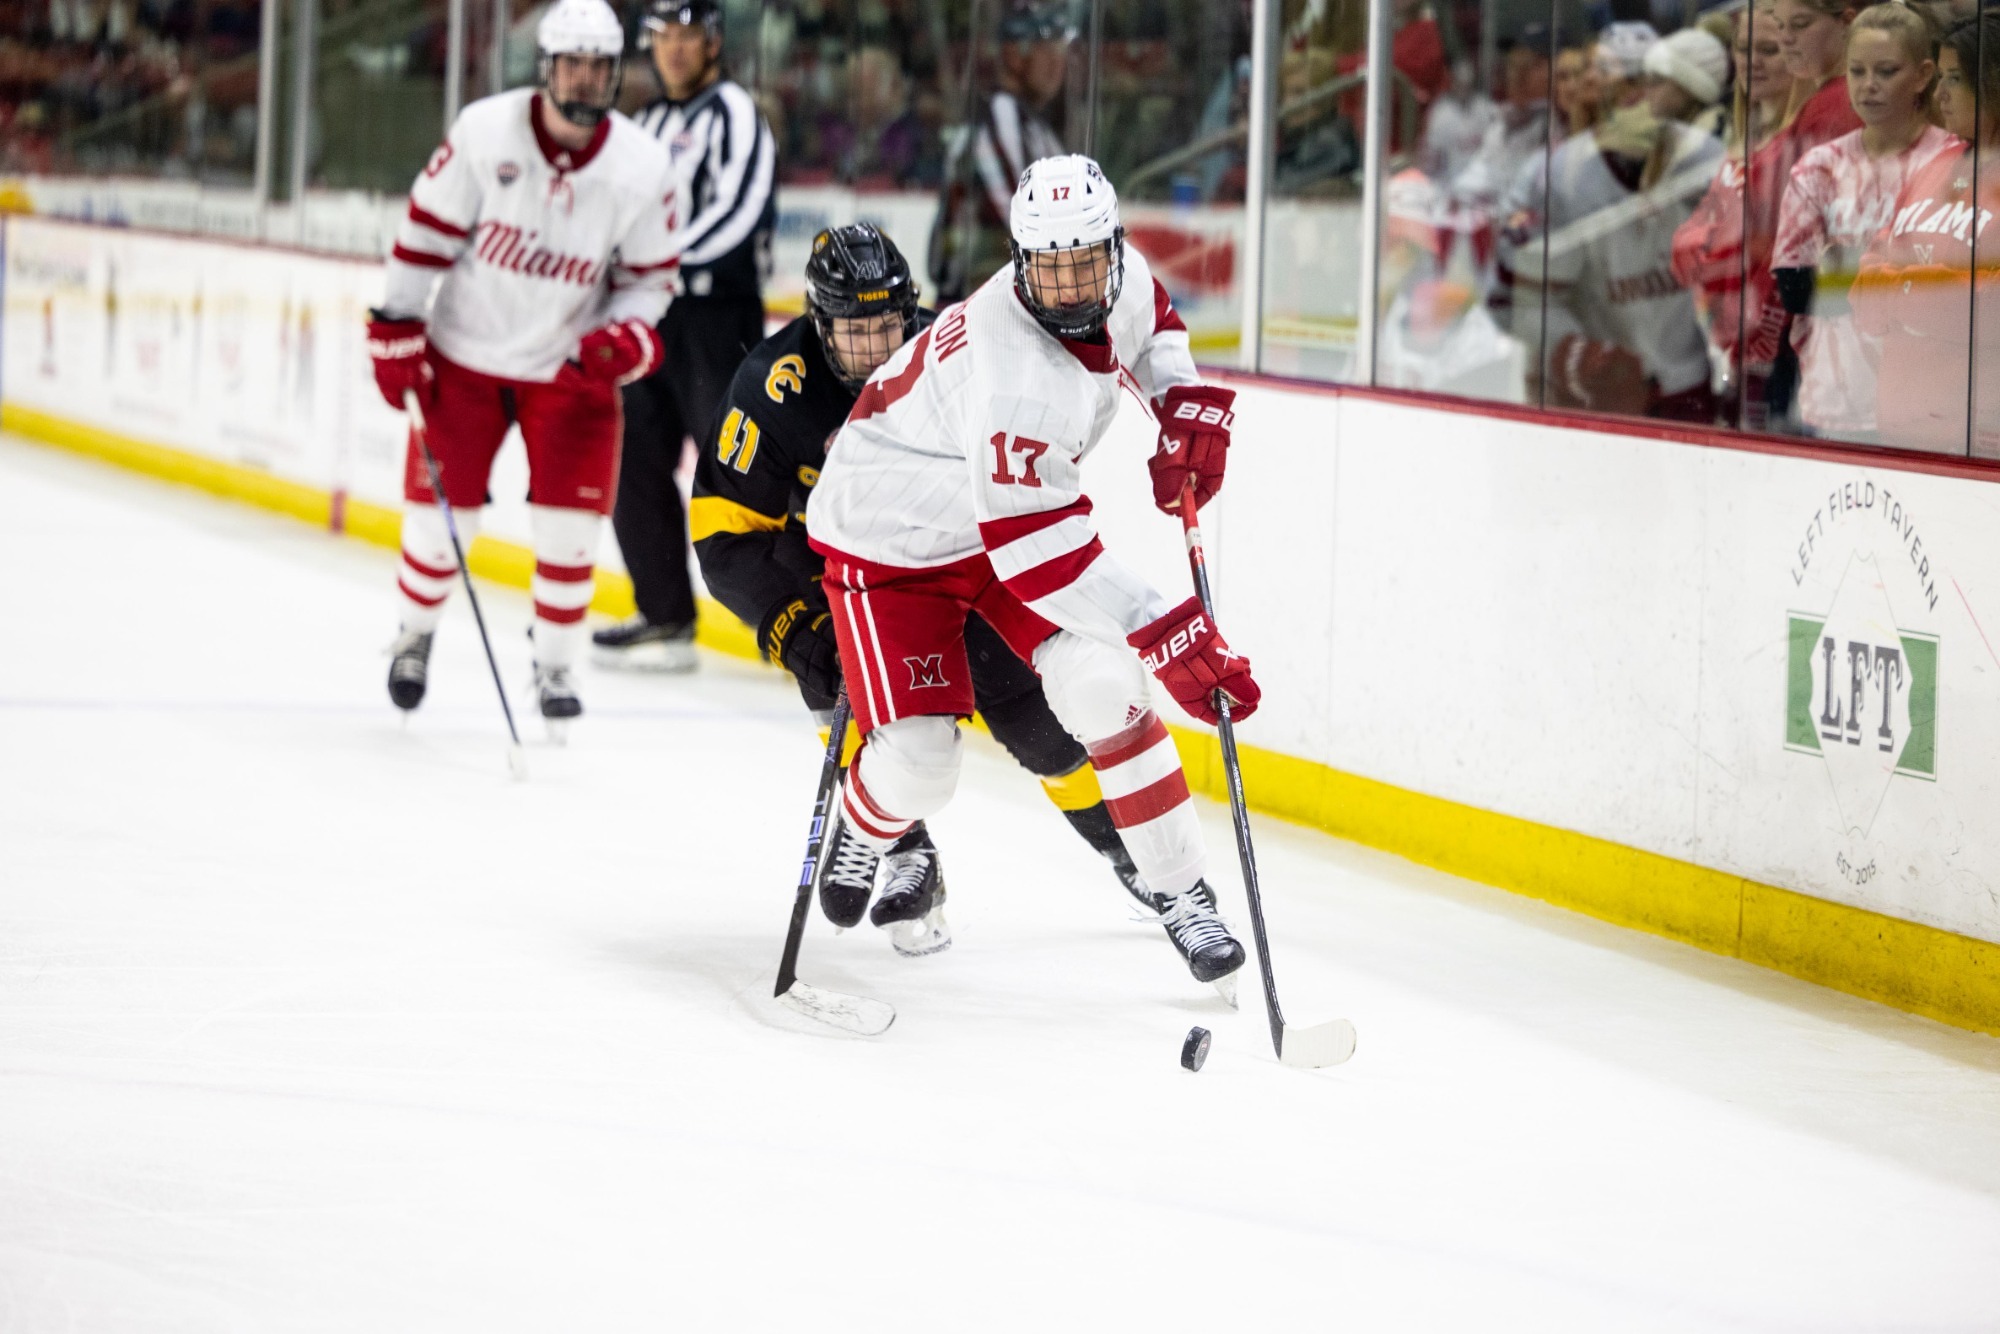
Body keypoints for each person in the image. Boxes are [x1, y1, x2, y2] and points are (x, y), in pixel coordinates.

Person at [805, 155, 1255, 992]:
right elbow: (1040, 556)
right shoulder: (1015, 375)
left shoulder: (1115, 276)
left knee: (1102, 687)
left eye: (1086, 260)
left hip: (992, 522)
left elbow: (1153, 326)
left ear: (1111, 245)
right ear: (1020, 260)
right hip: (889, 540)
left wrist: (1180, 402)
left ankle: (1183, 892)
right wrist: (1169, 630)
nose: (1071, 283)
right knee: (920, 764)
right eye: (1049, 267)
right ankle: (866, 827)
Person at [691, 223, 1159, 954]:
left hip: (954, 565)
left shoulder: (960, 354)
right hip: (837, 580)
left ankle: (1126, 850)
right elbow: (723, 535)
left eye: (888, 325)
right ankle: (909, 853)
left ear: (911, 312)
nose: (878, 348)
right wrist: (795, 631)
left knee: (1033, 723)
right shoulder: (773, 387)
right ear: (818, 322)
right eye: (855, 330)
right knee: (860, 711)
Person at [371, 0, 679, 726]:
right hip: (462, 358)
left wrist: (621, 337)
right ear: (546, 66)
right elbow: (423, 236)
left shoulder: (643, 165)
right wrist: (395, 323)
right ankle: (412, 637)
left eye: (599, 65)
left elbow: (650, 279)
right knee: (438, 529)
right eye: (572, 63)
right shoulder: (486, 131)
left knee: (570, 530)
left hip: (568, 371)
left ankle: (556, 667)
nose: (585, 78)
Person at [591, 0, 776, 672]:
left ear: (713, 42)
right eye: (663, 36)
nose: (673, 48)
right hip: (652, 319)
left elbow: (739, 211)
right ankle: (664, 613)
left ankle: (804, 623)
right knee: (630, 453)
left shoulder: (735, 113)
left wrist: (655, 266)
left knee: (742, 473)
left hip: (715, 318)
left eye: (687, 35)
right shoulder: (646, 123)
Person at [1514, 21, 1723, 421]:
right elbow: (1532, 301)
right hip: (1602, 392)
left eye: (1647, 83)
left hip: (1688, 381)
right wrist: (1579, 359)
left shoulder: (1705, 158)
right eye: (1625, 84)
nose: (1637, 97)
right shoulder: (1560, 173)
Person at [1772, 3, 1954, 443]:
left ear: (1923, 75)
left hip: (1927, 405)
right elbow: (1795, 288)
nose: (1868, 86)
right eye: (1857, 71)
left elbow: (1956, 291)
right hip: (1834, 400)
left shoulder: (1954, 162)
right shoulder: (1819, 167)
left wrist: (1844, 271)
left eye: (1886, 71)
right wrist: (1900, 277)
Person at [1852, 12, 2000, 457]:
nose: (1940, 94)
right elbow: (1862, 290)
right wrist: (1926, 288)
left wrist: (1902, 287)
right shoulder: (1936, 163)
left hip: (1980, 439)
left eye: (1955, 78)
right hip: (1902, 428)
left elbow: (1988, 309)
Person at [1670, 1, 1798, 428]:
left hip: (1786, 363)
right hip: (1730, 357)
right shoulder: (1741, 137)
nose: (1752, 63)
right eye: (1744, 50)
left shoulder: (1805, 140)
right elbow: (1693, 243)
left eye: (1770, 50)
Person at [929, 0, 1071, 304]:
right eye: (1046, 48)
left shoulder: (1033, 126)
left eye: (1061, 49)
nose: (1058, 62)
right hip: (975, 310)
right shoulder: (999, 114)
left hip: (1000, 303)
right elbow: (1023, 218)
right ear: (1013, 54)